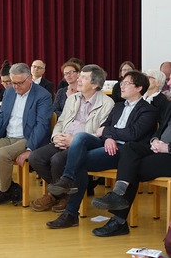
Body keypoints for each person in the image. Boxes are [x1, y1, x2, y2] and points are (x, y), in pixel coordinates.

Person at [45, 70, 159, 229]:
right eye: (122, 83)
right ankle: (68, 179)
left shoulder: (148, 110)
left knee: (80, 161)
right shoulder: (118, 106)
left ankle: (70, 213)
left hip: (124, 151)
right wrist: (109, 137)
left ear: (139, 87)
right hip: (108, 143)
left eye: (126, 83)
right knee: (80, 137)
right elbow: (103, 127)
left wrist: (108, 134)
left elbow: (132, 134)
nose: (122, 86)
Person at [28, 64, 115, 213]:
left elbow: (101, 133)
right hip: (62, 139)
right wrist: (56, 136)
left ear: (94, 84)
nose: (78, 80)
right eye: (80, 76)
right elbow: (61, 121)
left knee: (57, 160)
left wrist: (74, 140)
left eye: (84, 77)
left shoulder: (107, 103)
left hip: (82, 143)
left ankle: (56, 195)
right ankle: (61, 194)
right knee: (35, 157)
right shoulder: (72, 98)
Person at [0, 63, 53, 206]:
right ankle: (12, 188)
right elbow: (2, 117)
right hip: (8, 136)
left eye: (19, 83)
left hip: (27, 138)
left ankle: (4, 192)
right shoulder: (10, 92)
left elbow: (42, 125)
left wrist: (30, 148)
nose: (15, 87)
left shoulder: (43, 96)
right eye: (13, 83)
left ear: (30, 79)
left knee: (3, 154)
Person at [91, 101, 171, 237]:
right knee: (130, 147)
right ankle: (118, 194)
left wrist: (167, 148)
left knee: (132, 168)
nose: (168, 83)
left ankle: (119, 220)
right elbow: (161, 128)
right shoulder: (169, 104)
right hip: (160, 148)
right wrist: (155, 141)